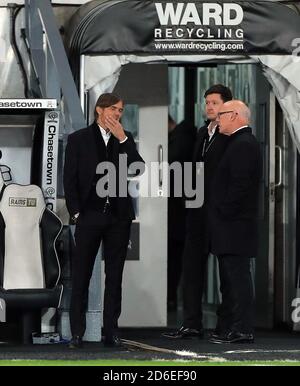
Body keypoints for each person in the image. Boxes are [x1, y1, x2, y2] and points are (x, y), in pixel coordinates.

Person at [63, 93, 144, 348]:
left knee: (115, 277)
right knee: (81, 276)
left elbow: (138, 168)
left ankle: (111, 332)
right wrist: (75, 213)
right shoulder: (79, 139)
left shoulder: (125, 138)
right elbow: (70, 179)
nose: (117, 114)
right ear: (99, 110)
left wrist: (122, 138)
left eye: (120, 110)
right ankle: (77, 332)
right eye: (113, 109)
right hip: (89, 216)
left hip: (118, 217)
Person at [163, 84, 232, 339]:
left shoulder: (232, 135)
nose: (210, 106)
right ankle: (191, 323)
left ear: (227, 105)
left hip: (221, 213)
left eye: (214, 102)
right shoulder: (202, 132)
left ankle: (226, 326)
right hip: (196, 211)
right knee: (191, 267)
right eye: (207, 102)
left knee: (226, 272)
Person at [208, 100, 262, 344]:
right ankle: (235, 326)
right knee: (233, 278)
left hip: (235, 225)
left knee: (238, 278)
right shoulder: (237, 142)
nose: (217, 118)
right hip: (232, 224)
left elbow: (240, 186)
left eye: (222, 114)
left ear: (236, 115)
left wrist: (224, 211)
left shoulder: (243, 144)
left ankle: (242, 328)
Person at [167, 115, 196, 311]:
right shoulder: (187, 137)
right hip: (183, 208)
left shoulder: (181, 140)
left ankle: (171, 298)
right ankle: (172, 298)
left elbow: (172, 162)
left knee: (176, 257)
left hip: (179, 210)